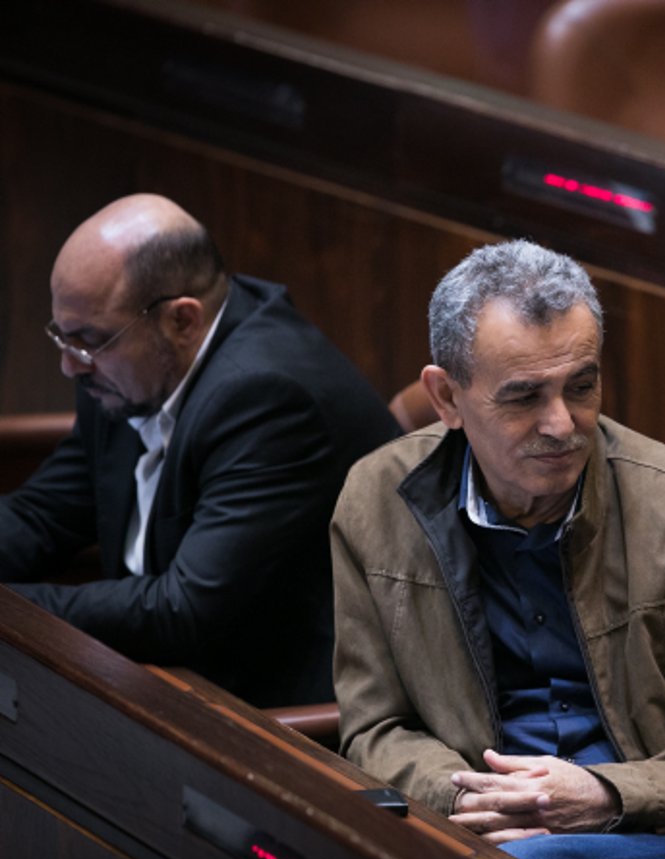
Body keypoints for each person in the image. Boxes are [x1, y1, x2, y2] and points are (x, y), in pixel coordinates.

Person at [331, 240, 665, 859]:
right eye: (524, 397)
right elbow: (376, 725)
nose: (562, 424)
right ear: (446, 397)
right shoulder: (376, 500)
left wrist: (605, 792)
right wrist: (469, 798)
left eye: (581, 386)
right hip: (485, 828)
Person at [0, 194, 400, 707]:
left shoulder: (267, 398)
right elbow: (42, 515)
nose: (70, 365)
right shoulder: (124, 368)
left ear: (182, 321)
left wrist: (11, 608)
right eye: (64, 337)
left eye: (88, 340)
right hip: (173, 677)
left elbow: (185, 610)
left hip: (280, 711)